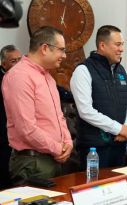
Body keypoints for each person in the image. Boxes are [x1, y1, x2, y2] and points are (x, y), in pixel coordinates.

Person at [1, 26, 73, 185]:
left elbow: (59, 117)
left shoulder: (48, 78)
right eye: (61, 50)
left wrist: (68, 142)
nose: (64, 55)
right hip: (33, 163)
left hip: (55, 159)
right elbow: (26, 128)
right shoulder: (19, 76)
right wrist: (57, 148)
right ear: (45, 48)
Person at [70, 25, 127, 169]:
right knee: (93, 189)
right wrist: (118, 128)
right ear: (102, 45)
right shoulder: (83, 70)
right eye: (117, 44)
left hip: (119, 145)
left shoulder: (121, 70)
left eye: (122, 44)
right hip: (94, 149)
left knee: (117, 189)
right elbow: (85, 111)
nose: (122, 49)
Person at [0, 44, 21, 189]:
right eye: (14, 61)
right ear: (3, 63)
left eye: (20, 60)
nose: (18, 64)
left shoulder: (25, 76)